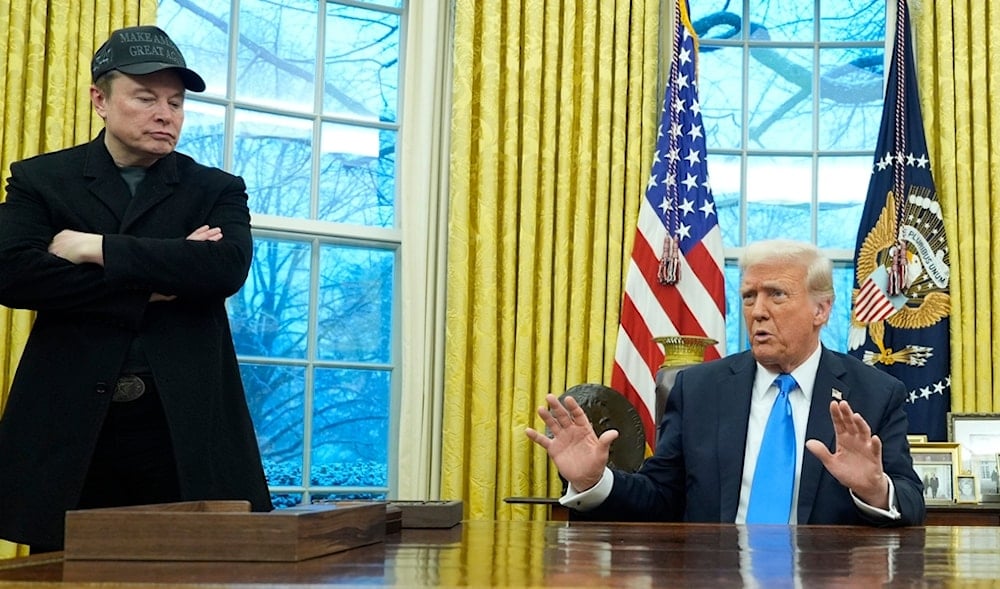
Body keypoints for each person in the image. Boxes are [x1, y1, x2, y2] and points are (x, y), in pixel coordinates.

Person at [0, 25, 272, 552]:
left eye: (175, 101)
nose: (165, 113)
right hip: (73, 425)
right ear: (100, 100)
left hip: (183, 424)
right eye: (146, 98)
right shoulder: (41, 179)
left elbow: (224, 270)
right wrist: (156, 280)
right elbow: (13, 273)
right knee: (62, 574)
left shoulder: (215, 187)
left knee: (193, 571)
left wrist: (93, 247)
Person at [526, 239, 925, 526]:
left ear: (821, 309)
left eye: (776, 295)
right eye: (749, 296)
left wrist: (874, 489)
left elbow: (909, 499)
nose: (758, 311)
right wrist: (593, 480)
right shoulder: (700, 389)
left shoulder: (875, 393)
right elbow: (660, 497)